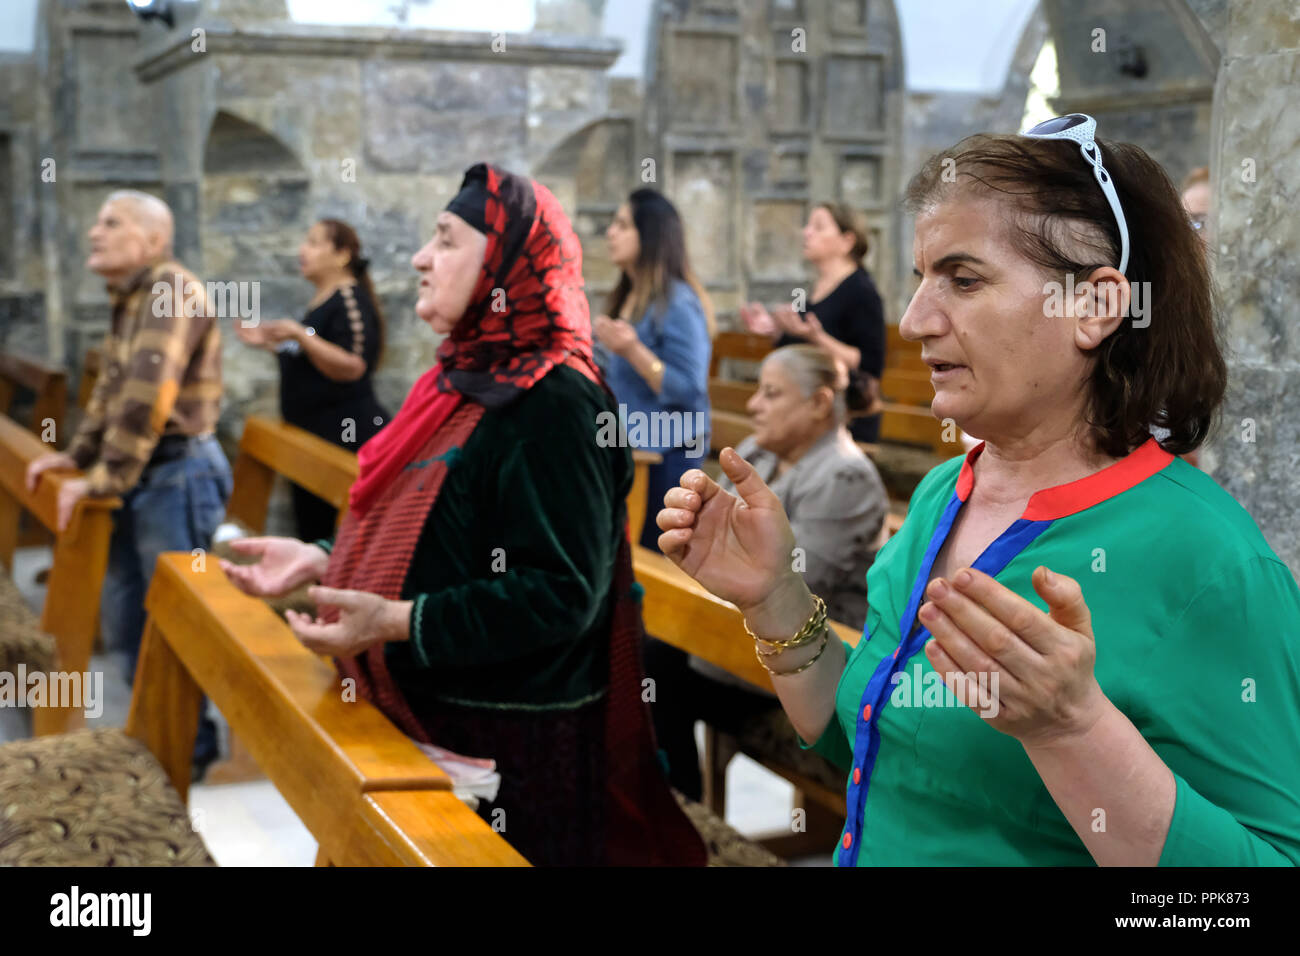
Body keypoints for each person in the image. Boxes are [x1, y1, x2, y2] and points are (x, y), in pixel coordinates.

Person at [657, 115, 1300, 866]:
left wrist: (1075, 730)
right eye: (921, 279)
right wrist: (775, 599)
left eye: (963, 279)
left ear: (1093, 307)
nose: (914, 319)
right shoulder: (942, 493)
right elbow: (871, 743)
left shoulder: (1210, 561)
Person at [219, 164, 707, 867]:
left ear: (506, 266)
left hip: (510, 759)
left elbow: (559, 594)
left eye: (446, 240)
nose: (420, 257)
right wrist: (325, 556)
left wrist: (393, 621)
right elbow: (440, 528)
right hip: (431, 722)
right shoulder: (467, 374)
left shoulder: (555, 401)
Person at [25, 190, 230, 777]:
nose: (94, 232)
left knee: (173, 622)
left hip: (175, 474)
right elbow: (112, 392)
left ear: (153, 239)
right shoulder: (133, 295)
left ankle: (187, 754)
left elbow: (147, 400)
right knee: (127, 615)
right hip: (144, 473)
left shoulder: (168, 289)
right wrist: (75, 457)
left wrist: (101, 479)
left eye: (111, 223)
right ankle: (152, 742)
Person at [645, 344, 888, 799]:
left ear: (818, 403)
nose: (754, 405)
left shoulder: (844, 476)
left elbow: (799, 585)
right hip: (742, 642)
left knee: (655, 669)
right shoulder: (760, 452)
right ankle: (671, 811)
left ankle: (680, 818)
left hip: (807, 661)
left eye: (772, 394)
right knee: (645, 653)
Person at [235, 219, 390, 541]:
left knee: (338, 537)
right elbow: (310, 363)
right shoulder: (323, 301)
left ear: (342, 254)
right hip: (311, 438)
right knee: (312, 531)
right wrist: (268, 342)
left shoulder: (349, 298)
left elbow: (352, 365)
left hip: (344, 437)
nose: (303, 250)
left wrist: (300, 334)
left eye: (314, 242)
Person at [594, 189, 713, 551]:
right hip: (630, 451)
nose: (610, 233)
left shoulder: (678, 302)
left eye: (622, 225)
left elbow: (690, 389)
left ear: (651, 236)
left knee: (648, 559)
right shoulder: (625, 297)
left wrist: (633, 350)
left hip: (668, 456)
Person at [740, 202, 886, 443]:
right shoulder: (815, 288)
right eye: (808, 226)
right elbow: (802, 347)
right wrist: (774, 330)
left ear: (847, 241)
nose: (806, 232)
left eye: (818, 227)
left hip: (847, 415)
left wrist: (817, 338)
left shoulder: (862, 291)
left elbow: (871, 365)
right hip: (808, 412)